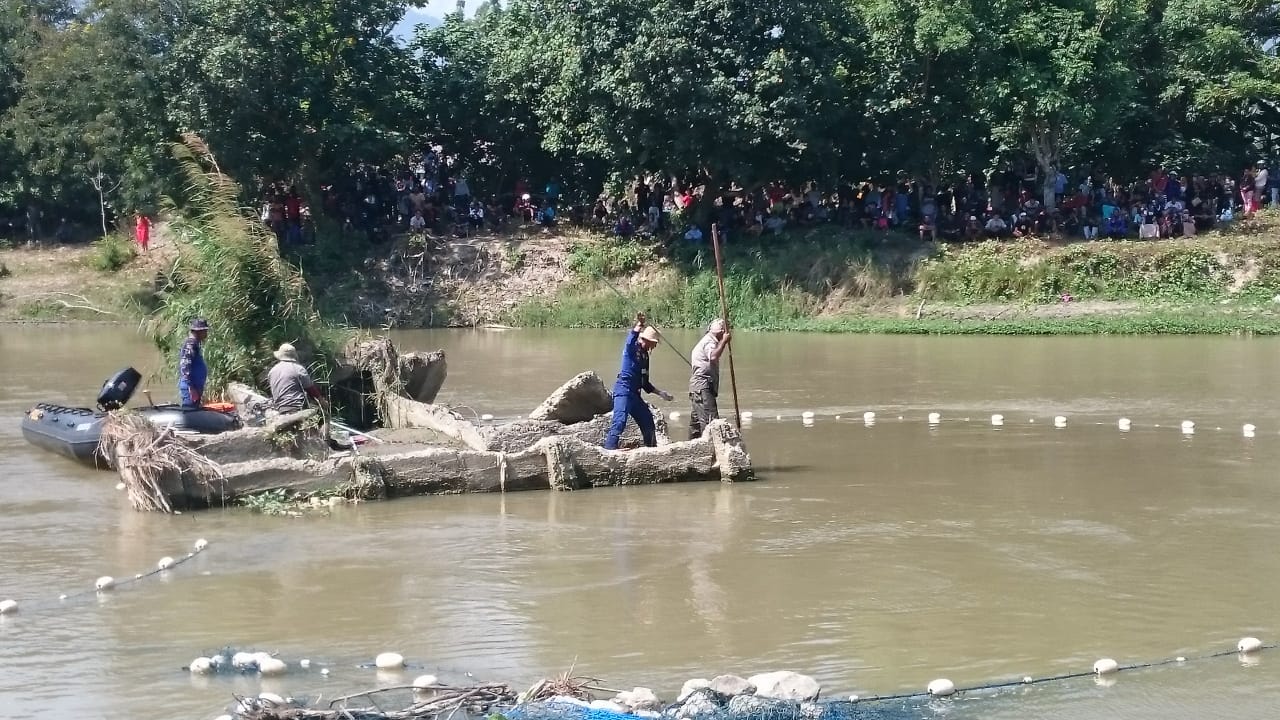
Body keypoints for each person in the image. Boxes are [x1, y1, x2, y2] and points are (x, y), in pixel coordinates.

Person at [604, 312, 673, 450]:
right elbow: (630, 339)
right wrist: (639, 325)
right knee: (619, 422)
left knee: (648, 421)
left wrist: (660, 393)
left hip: (635, 395)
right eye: (653, 343)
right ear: (647, 340)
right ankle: (608, 451)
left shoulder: (645, 357)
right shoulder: (632, 348)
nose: (654, 347)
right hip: (623, 390)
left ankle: (652, 449)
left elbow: (645, 383)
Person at [688, 318, 731, 440]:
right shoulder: (709, 342)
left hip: (698, 388)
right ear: (721, 332)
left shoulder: (706, 341)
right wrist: (724, 342)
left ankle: (693, 451)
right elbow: (713, 357)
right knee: (711, 424)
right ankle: (713, 453)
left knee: (696, 426)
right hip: (702, 388)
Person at [267, 343, 329, 413]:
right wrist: (323, 402)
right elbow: (311, 390)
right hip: (297, 407)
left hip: (279, 409)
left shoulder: (271, 372)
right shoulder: (298, 369)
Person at [177, 318, 210, 407]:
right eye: (205, 331)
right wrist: (191, 387)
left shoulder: (194, 344)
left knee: (194, 411)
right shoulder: (190, 344)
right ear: (198, 331)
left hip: (194, 387)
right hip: (190, 388)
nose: (206, 334)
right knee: (189, 413)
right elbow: (185, 366)